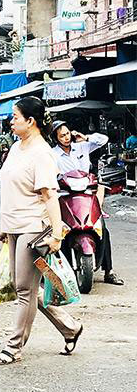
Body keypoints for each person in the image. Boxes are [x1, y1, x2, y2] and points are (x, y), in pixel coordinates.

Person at [0, 96, 83, 365]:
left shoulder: (42, 153)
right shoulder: (17, 148)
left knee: (23, 289)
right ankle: (70, 327)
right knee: (29, 289)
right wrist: (5, 228)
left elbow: (49, 196)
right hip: (15, 226)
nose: (11, 121)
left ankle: (13, 347)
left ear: (31, 122)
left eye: (15, 117)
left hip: (33, 226)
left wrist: (56, 233)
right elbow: (11, 190)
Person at [51, 120, 123, 286]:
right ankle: (60, 271)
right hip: (64, 196)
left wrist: (85, 137)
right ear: (56, 138)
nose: (66, 137)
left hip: (86, 195)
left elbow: (103, 140)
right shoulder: (52, 154)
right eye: (62, 135)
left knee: (102, 229)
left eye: (67, 133)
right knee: (58, 230)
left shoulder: (82, 146)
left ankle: (109, 271)